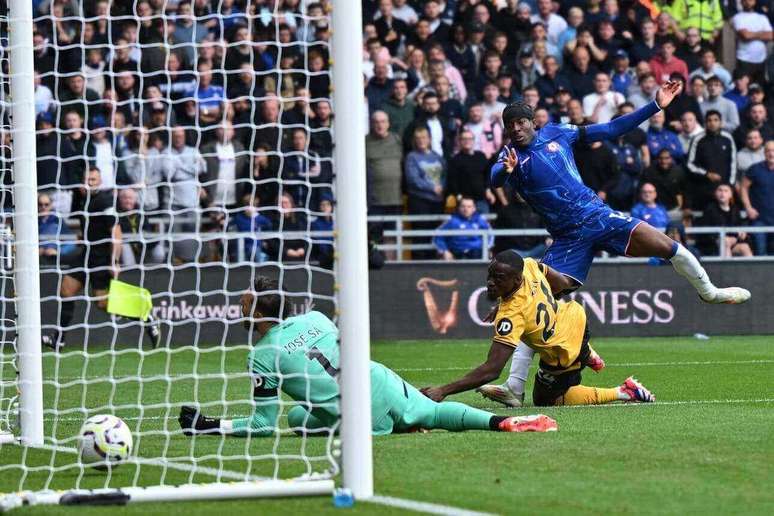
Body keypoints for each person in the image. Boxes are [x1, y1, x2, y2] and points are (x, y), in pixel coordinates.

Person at [486, 83, 750, 407]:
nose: (515, 129)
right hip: (569, 238)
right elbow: (495, 176)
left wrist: (655, 105)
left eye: (520, 123)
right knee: (536, 296)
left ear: (532, 122)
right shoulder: (511, 157)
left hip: (600, 217)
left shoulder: (558, 133)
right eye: (509, 125)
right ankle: (514, 387)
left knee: (669, 245)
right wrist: (504, 172)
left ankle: (710, 292)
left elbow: (611, 128)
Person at [178, 276, 558, 436]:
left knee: (296, 416)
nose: (240, 304)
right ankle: (502, 423)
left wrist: (212, 426)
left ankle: (397, 425)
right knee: (436, 411)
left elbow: (263, 425)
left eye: (246, 301)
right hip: (379, 379)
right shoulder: (315, 316)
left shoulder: (261, 355)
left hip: (358, 415)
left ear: (259, 314)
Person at [420, 251, 655, 407]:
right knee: (525, 335)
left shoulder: (512, 314)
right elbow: (562, 283)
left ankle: (624, 391)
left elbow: (491, 370)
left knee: (548, 401)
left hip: (564, 351)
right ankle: (582, 355)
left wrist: (444, 390)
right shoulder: (531, 265)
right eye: (490, 275)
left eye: (499, 278)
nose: (491, 282)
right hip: (573, 315)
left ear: (515, 279)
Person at [41, 168, 159, 350]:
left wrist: (114, 261)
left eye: (94, 179)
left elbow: (116, 232)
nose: (90, 182)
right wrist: (84, 236)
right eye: (88, 178)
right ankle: (59, 340)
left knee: (102, 303)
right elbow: (93, 227)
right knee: (66, 290)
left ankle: (146, 317)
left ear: (100, 181)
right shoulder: (83, 200)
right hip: (86, 254)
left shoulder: (105, 202)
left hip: (101, 257)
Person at [686, 110, 737, 209]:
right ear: (705, 123)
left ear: (721, 122)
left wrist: (730, 186)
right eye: (709, 120)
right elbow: (689, 164)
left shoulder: (728, 138)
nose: (712, 123)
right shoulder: (698, 139)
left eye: (715, 120)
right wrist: (707, 174)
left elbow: (734, 163)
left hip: (725, 188)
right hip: (703, 188)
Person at [697, 184, 752, 257]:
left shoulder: (735, 209)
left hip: (732, 240)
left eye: (726, 191)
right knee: (725, 242)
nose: (722, 193)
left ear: (731, 195)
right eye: (720, 190)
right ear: (715, 193)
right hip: (713, 243)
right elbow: (707, 232)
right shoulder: (710, 209)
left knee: (744, 247)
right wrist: (721, 238)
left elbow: (738, 225)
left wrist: (741, 233)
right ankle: (728, 268)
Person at [446, 130, 494, 214]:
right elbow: (452, 181)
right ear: (459, 141)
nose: (467, 141)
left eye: (469, 138)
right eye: (464, 139)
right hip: (464, 203)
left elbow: (488, 175)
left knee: (483, 226)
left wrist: (488, 190)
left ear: (473, 141)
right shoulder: (455, 160)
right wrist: (458, 196)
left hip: (481, 200)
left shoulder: (481, 156)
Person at [739, 141, 774, 256]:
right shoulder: (755, 169)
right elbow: (743, 187)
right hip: (760, 220)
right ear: (764, 153)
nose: (771, 154)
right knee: (760, 254)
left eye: (773, 151)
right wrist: (748, 208)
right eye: (768, 150)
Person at [731, 0, 773, 85]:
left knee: (759, 91)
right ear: (741, 2)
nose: (748, 2)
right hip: (744, 60)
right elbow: (745, 36)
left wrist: (752, 34)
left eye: (750, 0)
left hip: (761, 60)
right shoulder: (737, 17)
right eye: (745, 0)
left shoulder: (762, 18)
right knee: (743, 88)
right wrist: (762, 33)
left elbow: (771, 36)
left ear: (754, 2)